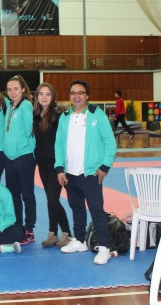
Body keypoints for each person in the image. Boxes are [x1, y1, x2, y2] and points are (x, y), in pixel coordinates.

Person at [55, 79, 117, 265]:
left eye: (80, 93)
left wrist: (104, 167)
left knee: (96, 210)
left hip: (91, 173)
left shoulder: (97, 115)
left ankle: (104, 248)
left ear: (87, 95)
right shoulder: (65, 117)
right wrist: (59, 168)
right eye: (73, 93)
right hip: (70, 173)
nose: (76, 96)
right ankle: (80, 240)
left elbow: (110, 142)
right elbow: (59, 144)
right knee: (77, 208)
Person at [33, 83, 71, 248]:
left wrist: (62, 166)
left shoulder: (58, 116)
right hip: (42, 164)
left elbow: (64, 141)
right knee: (50, 199)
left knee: (52, 199)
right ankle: (52, 233)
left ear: (53, 96)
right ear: (37, 96)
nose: (44, 97)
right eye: (41, 94)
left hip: (56, 164)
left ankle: (67, 232)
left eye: (47, 94)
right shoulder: (36, 116)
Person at [3, 75, 37, 245]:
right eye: (9, 90)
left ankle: (29, 229)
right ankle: (17, 226)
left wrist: (32, 156)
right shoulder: (10, 106)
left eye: (16, 89)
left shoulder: (26, 106)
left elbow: (31, 132)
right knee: (13, 195)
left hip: (24, 156)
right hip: (9, 158)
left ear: (23, 89)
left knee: (27, 195)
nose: (13, 92)